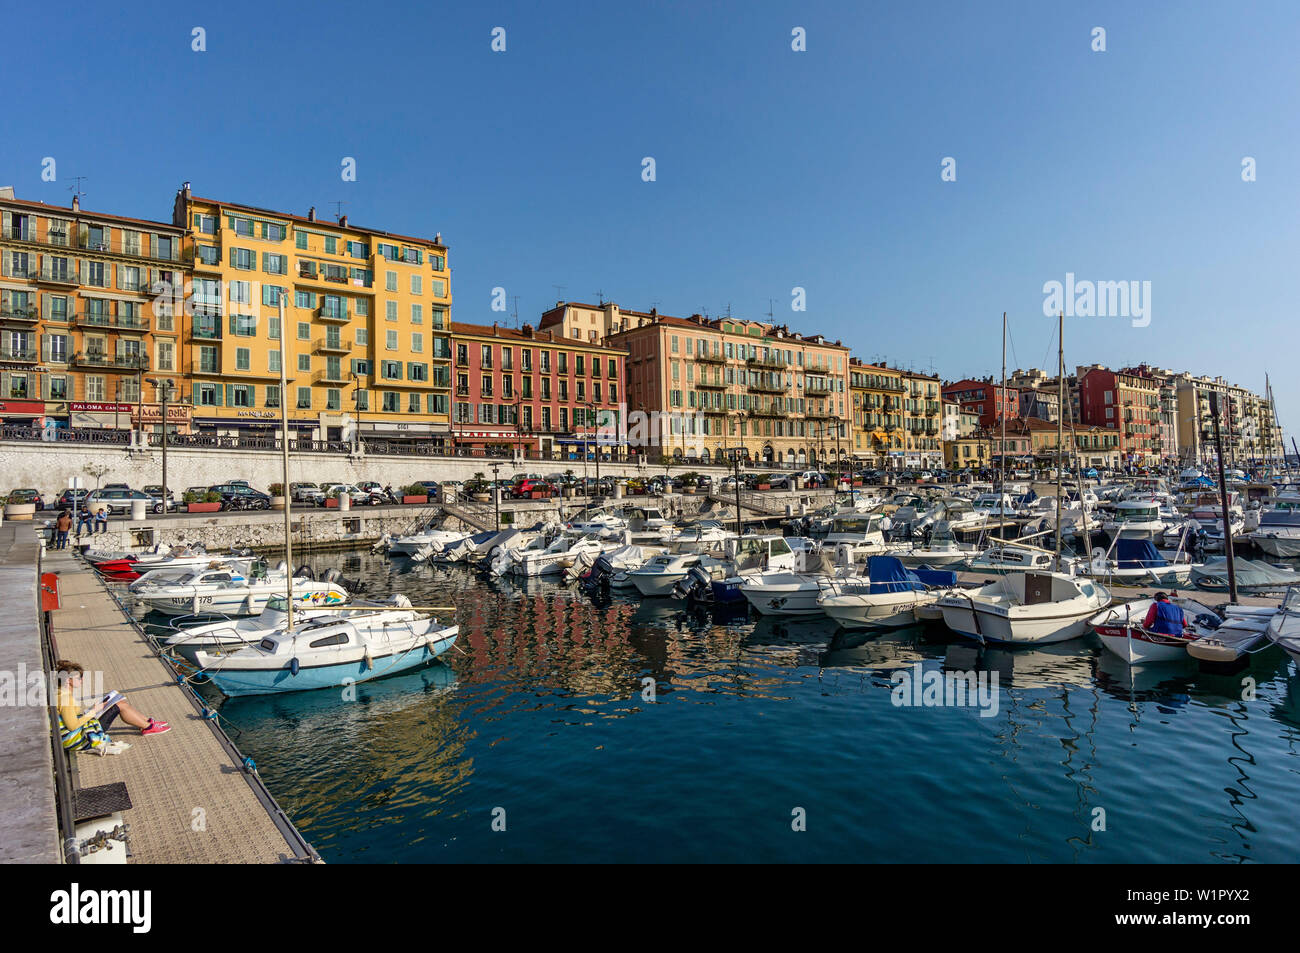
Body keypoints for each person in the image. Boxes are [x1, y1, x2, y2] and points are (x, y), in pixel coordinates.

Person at [55, 660, 169, 756]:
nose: (82, 680)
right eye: (79, 678)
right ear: (68, 680)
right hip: (77, 737)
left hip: (75, 730)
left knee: (119, 701)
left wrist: (93, 710)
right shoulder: (65, 699)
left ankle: (147, 723)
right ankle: (148, 727)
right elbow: (72, 726)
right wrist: (94, 711)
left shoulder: (60, 693)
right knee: (120, 705)